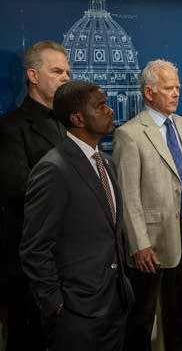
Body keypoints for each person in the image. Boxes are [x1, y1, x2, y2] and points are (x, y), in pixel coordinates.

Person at [19, 81, 134, 351]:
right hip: (75, 312)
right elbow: (34, 248)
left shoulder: (106, 163)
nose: (110, 111)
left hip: (114, 304)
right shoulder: (53, 168)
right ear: (77, 118)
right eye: (100, 106)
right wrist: (55, 303)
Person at [112, 59, 182, 351]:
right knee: (141, 317)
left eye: (178, 87)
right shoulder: (129, 134)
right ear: (148, 92)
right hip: (150, 242)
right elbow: (127, 195)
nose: (176, 93)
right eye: (168, 88)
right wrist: (139, 244)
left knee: (178, 309)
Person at [0, 40, 70, 350]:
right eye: (56, 71)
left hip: (71, 260)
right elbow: (18, 189)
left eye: (67, 71)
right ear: (33, 75)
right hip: (30, 264)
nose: (65, 78)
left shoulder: (70, 124)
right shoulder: (11, 127)